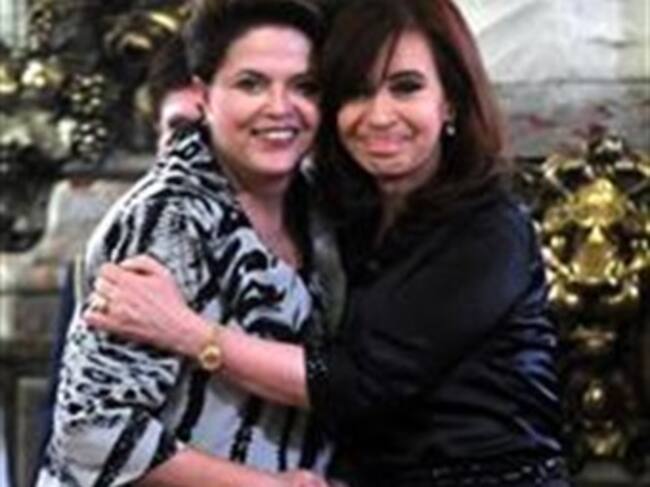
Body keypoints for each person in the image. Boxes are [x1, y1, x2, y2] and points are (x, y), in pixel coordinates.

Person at [86, 0, 571, 485]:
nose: (379, 116)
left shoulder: (489, 228)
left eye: (406, 87)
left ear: (451, 101)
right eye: (356, 92)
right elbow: (89, 428)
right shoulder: (331, 215)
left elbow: (359, 381)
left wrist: (190, 334)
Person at [35, 0, 336, 485]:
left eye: (304, 87)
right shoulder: (165, 219)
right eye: (251, 84)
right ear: (204, 96)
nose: (280, 107)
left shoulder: (322, 208)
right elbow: (91, 431)